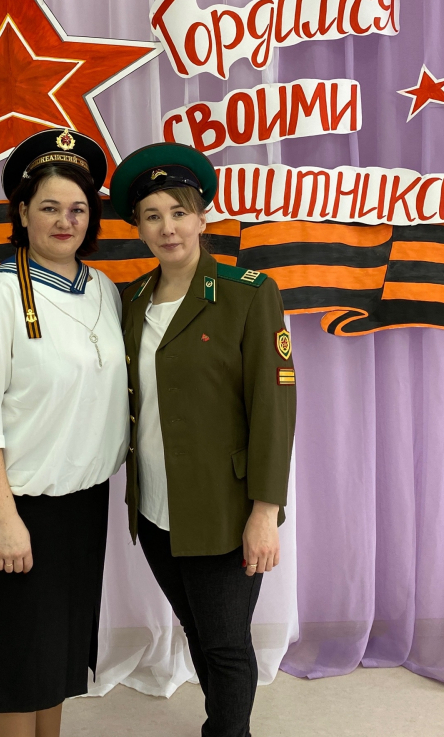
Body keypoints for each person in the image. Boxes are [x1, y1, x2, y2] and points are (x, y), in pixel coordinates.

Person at [109, 142, 296, 737]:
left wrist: (264, 512)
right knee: (200, 631)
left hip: (224, 507)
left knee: (226, 643)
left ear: (202, 217)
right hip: (157, 508)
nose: (168, 228)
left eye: (179, 212)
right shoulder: (132, 300)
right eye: (153, 216)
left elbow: (274, 409)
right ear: (139, 227)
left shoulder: (247, 292)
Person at [0, 128, 129, 737]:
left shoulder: (103, 289)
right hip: (21, 501)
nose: (64, 221)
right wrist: (4, 519)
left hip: (86, 500)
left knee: (61, 646)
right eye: (49, 207)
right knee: (19, 651)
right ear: (22, 211)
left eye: (77, 208)